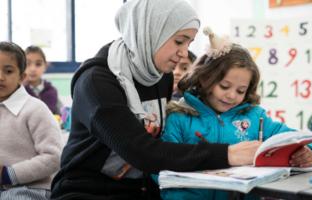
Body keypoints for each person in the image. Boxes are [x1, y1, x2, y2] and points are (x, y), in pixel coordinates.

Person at [50, 0, 268, 199]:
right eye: (179, 41)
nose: (184, 53)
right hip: (88, 190)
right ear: (151, 31)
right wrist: (227, 154)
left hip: (142, 188)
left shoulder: (160, 76)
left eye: (189, 44)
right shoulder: (97, 82)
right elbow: (141, 151)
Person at [156, 28, 312, 200]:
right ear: (205, 79)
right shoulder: (178, 117)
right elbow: (160, 166)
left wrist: (309, 152)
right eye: (225, 86)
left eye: (241, 90)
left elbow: (294, 138)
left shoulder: (255, 117)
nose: (232, 95)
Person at [0, 41, 63, 199]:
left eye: (8, 71)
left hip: (30, 189)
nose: (0, 77)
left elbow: (54, 157)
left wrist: (8, 174)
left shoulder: (35, 109)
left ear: (21, 77)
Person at [23, 45, 62, 115]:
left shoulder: (52, 91)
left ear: (45, 66)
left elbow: (60, 115)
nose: (33, 69)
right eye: (28, 64)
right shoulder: (19, 91)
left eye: (38, 64)